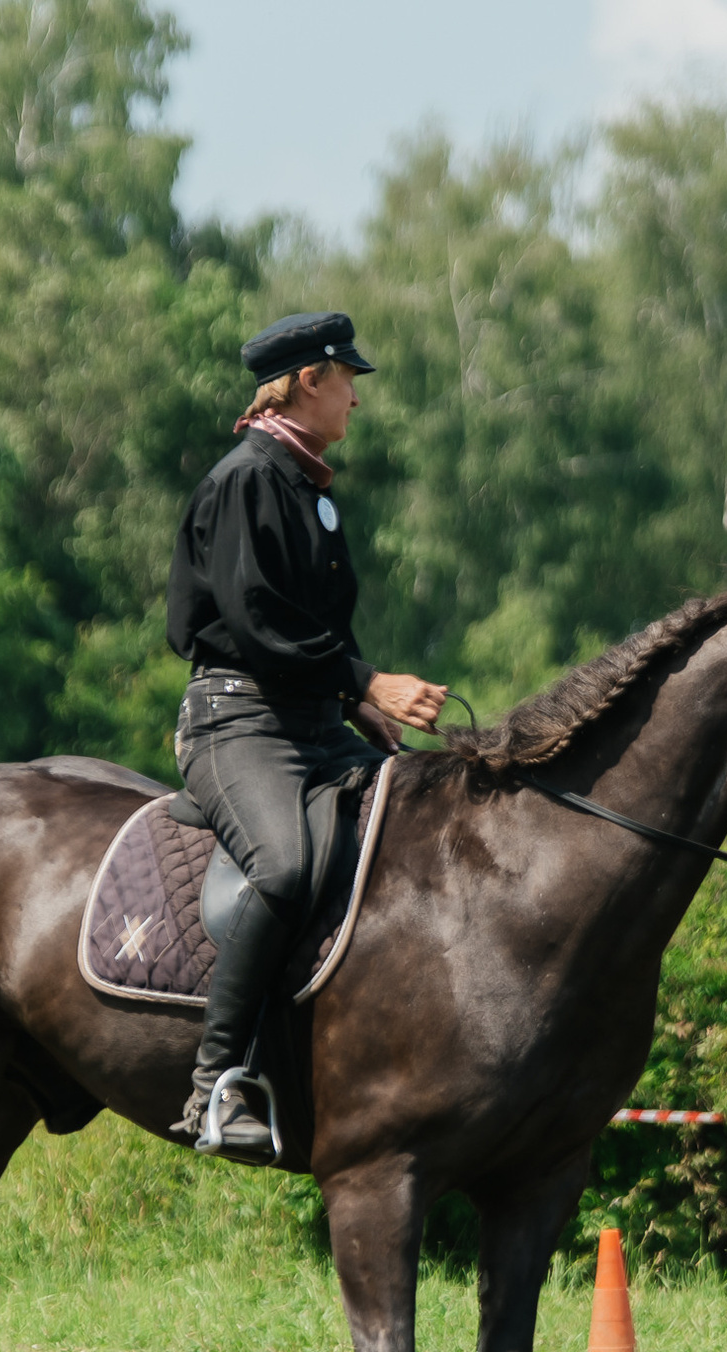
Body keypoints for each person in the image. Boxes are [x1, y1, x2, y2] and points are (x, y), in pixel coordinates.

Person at [165, 312, 450, 1159]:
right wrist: (366, 679)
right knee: (285, 869)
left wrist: (356, 701)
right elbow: (255, 623)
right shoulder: (247, 479)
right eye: (349, 380)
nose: (358, 399)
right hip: (238, 723)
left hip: (314, 723)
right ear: (308, 381)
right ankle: (217, 1085)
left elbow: (305, 624)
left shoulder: (306, 488)